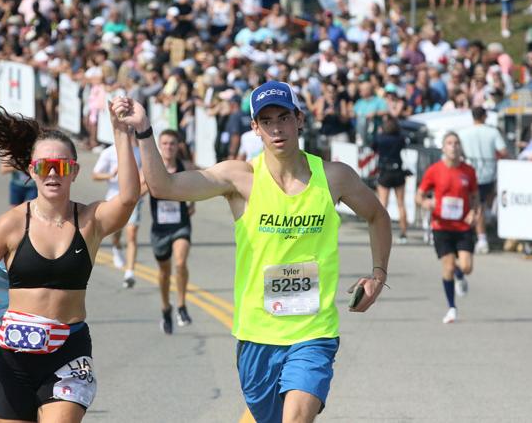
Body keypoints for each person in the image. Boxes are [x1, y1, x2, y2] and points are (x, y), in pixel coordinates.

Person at [119, 82, 392, 423]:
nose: (276, 128)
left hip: (314, 332)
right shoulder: (240, 178)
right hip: (257, 335)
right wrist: (144, 130)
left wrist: (379, 273)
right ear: (255, 128)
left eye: (283, 117)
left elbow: (377, 214)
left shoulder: (334, 177)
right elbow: (164, 187)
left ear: (300, 119)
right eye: (266, 121)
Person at [0, 99, 139, 422]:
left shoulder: (90, 220)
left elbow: (129, 197)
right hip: (13, 356)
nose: (53, 173)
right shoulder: (12, 224)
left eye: (61, 166)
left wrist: (120, 131)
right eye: (44, 166)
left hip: (68, 352)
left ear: (74, 170)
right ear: (32, 170)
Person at [416, 132, 479, 324]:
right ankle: (452, 307)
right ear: (443, 148)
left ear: (460, 147)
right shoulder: (434, 170)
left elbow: (475, 197)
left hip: (462, 227)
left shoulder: (468, 171)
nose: (453, 146)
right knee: (448, 266)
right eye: (449, 143)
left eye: (456, 143)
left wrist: (473, 212)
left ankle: (461, 275)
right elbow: (419, 196)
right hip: (441, 226)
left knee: (466, 267)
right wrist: (426, 203)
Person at [147, 130, 196, 334]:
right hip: (160, 230)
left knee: (180, 262)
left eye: (172, 144)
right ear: (160, 146)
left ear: (178, 146)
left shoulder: (186, 168)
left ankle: (182, 305)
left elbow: (197, 186)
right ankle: (166, 307)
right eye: (165, 144)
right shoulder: (152, 169)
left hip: (180, 225)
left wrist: (193, 201)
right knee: (164, 273)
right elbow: (136, 191)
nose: (168, 147)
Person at [91, 137, 143, 284]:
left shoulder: (138, 152)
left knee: (132, 234)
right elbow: (95, 175)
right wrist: (110, 175)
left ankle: (129, 273)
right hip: (114, 199)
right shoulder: (109, 152)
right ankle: (116, 246)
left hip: (133, 199)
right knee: (115, 234)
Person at [458, 107, 508, 254]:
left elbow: (458, 152)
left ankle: (480, 235)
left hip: (470, 174)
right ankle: (482, 238)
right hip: (487, 174)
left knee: (477, 206)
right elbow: (503, 151)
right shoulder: (492, 132)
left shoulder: (463, 133)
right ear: (485, 116)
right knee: (479, 206)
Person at [372, 116, 409, 244]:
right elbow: (404, 143)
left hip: (385, 171)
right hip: (398, 171)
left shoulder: (380, 138)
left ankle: (381, 232)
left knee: (383, 203)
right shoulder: (400, 138)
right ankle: (403, 233)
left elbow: (373, 147)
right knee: (401, 204)